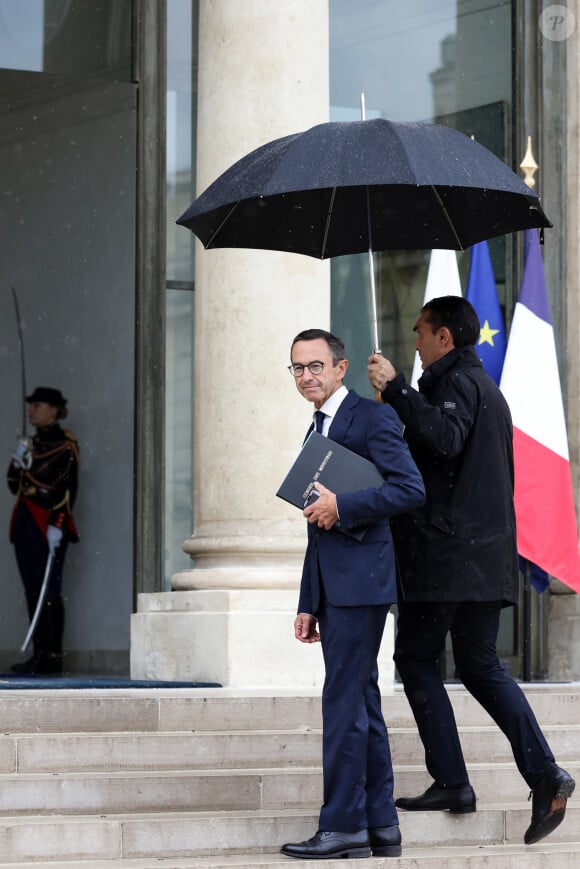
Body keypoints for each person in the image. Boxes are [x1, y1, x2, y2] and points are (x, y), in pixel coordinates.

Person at [367, 296, 575, 846]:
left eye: (419, 332)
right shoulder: (478, 387)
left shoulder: (461, 384)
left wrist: (396, 390)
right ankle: (541, 775)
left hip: (450, 559)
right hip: (477, 560)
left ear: (444, 337)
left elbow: (443, 439)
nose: (413, 342)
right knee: (480, 668)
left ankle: (457, 780)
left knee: (415, 658)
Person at [280, 329, 425, 860]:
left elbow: (410, 489)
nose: (306, 376)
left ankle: (342, 826)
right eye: (297, 368)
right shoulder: (316, 428)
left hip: (363, 583)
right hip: (336, 587)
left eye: (316, 366)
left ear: (341, 369)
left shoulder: (372, 416)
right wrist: (307, 600)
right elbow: (316, 526)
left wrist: (344, 506)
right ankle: (380, 826)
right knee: (360, 700)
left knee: (343, 704)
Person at [7, 387, 80, 676]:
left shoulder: (65, 445)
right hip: (25, 521)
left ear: (53, 409)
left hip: (48, 523)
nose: (31, 409)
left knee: (49, 591)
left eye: (37, 405)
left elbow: (67, 490)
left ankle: (52, 655)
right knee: (32, 589)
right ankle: (39, 653)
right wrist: (19, 456)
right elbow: (14, 484)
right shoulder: (31, 444)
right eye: (31, 404)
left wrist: (57, 526)